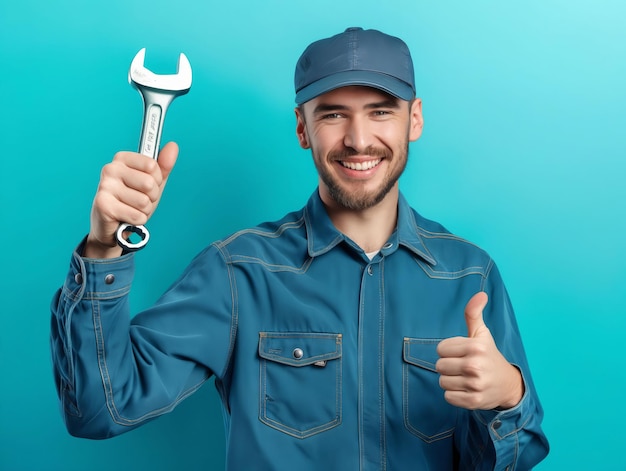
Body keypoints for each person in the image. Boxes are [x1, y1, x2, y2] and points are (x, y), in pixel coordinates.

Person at [50, 27, 549, 470]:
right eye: (333, 114)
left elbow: (507, 462)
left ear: (414, 120)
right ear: (301, 128)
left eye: (380, 112)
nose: (358, 140)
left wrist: (508, 397)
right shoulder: (238, 273)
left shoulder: (470, 277)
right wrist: (102, 250)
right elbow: (101, 409)